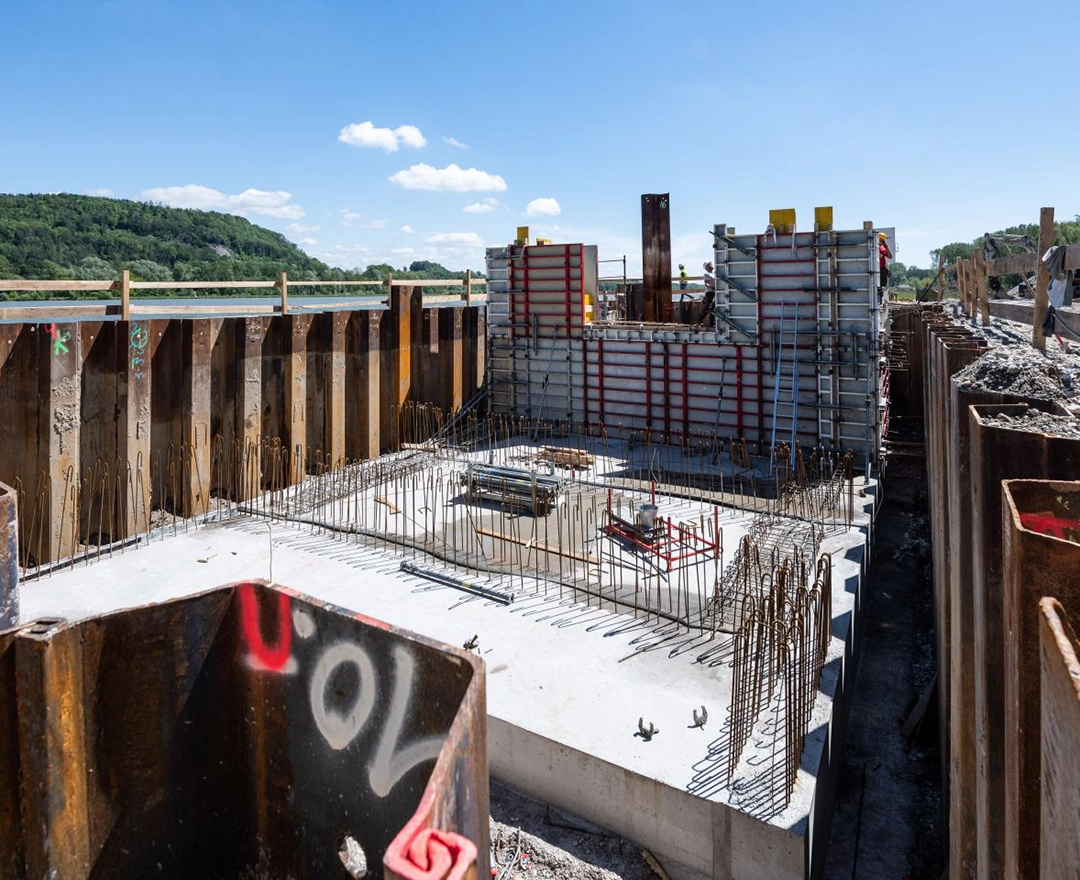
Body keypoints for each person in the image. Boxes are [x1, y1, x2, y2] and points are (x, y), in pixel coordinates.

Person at [1043, 274, 1069, 350]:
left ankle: (1062, 343)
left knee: (1054, 324)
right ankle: (1062, 343)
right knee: (1055, 325)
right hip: (1057, 305)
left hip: (1057, 305)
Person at [700, 261, 716, 327]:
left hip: (715, 292)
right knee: (708, 307)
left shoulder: (714, 274)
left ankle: (712, 323)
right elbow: (706, 283)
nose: (711, 265)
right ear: (707, 267)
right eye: (709, 265)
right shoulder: (706, 274)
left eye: (711, 264)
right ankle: (699, 320)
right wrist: (712, 287)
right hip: (710, 292)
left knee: (713, 308)